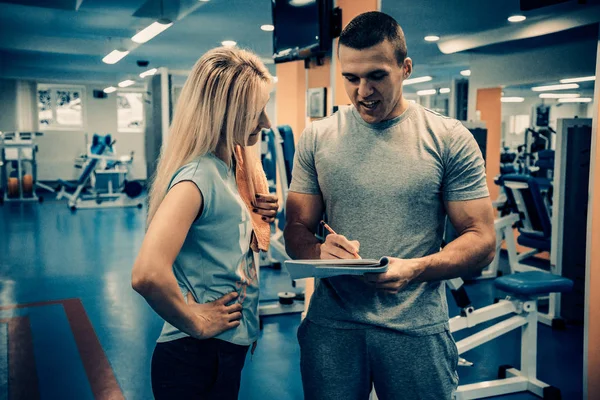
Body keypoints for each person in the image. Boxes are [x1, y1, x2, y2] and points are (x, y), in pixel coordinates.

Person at [284, 11, 496, 400]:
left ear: (406, 68)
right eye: (351, 78)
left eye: (377, 75)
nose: (363, 91)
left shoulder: (449, 138)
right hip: (333, 326)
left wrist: (416, 268)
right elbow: (296, 230)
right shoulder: (316, 138)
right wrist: (319, 252)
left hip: (415, 328)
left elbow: (481, 239)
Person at [131, 46, 278, 399]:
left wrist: (253, 212)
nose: (266, 123)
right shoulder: (197, 176)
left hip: (223, 351)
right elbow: (147, 273)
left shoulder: (230, 166)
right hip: (193, 357)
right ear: (225, 114)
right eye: (256, 113)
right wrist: (194, 320)